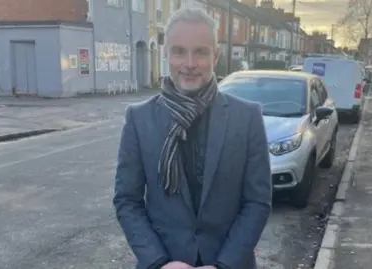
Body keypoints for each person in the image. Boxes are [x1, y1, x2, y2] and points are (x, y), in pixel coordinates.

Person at [113, 7, 272, 269]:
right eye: (178, 51)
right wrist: (159, 262)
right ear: (166, 54)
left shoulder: (247, 117)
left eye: (200, 52)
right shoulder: (139, 119)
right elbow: (127, 200)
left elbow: (257, 201)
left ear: (216, 56)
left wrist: (224, 265)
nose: (189, 63)